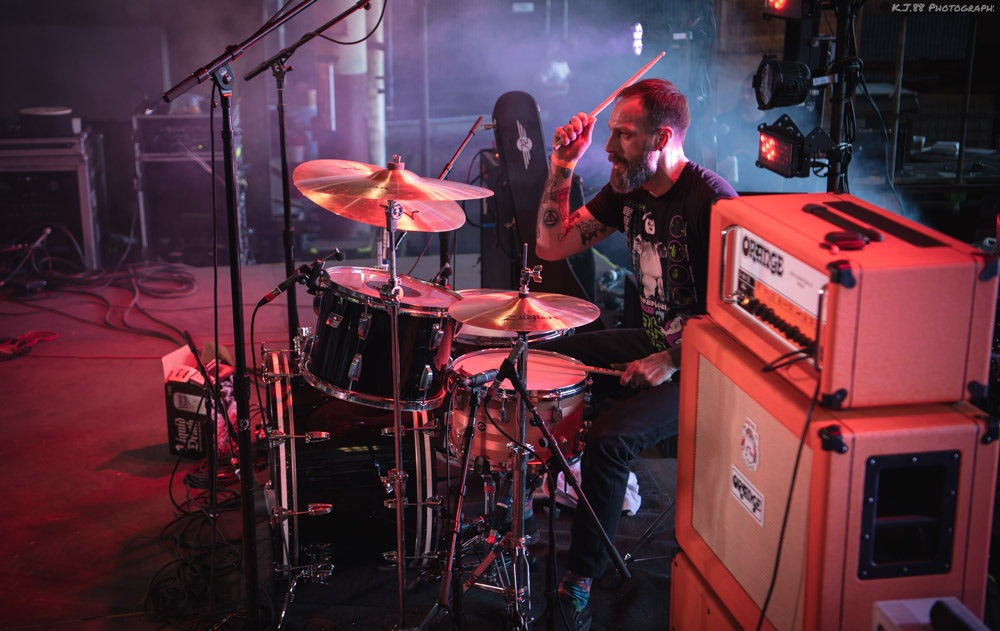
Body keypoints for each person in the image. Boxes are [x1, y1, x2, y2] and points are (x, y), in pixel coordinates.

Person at [533, 78, 736, 630]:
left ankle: (580, 577)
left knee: (611, 438)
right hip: (652, 341)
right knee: (547, 359)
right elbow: (552, 244)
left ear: (660, 136)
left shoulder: (712, 201)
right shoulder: (628, 188)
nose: (608, 146)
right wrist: (561, 167)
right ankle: (570, 482)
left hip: (705, 363)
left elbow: (740, 311)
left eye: (622, 134)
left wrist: (672, 359)